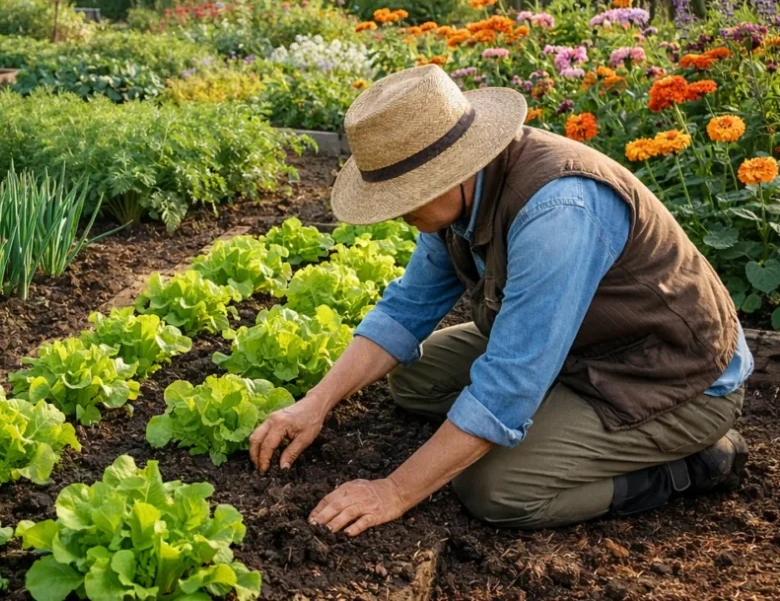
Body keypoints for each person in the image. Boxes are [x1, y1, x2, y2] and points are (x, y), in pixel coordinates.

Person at [249, 64, 752, 536]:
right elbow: (407, 310)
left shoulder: (559, 210)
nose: (391, 214)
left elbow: (508, 386)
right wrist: (315, 403)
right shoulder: (459, 200)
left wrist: (394, 490)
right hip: (577, 348)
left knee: (494, 487)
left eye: (403, 197)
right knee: (414, 379)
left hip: (666, 377)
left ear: (450, 170)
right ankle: (560, 419)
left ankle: (689, 467)